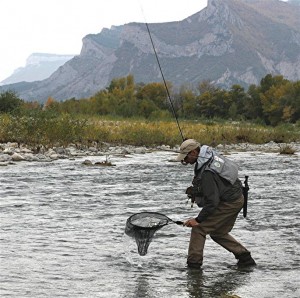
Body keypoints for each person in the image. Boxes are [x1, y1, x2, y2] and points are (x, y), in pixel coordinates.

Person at [176, 139, 256, 269]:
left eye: (186, 157)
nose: (184, 160)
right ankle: (245, 259)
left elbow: (212, 203)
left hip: (230, 203)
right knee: (218, 232)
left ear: (194, 152)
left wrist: (197, 220)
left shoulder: (208, 172)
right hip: (237, 198)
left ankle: (193, 268)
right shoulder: (209, 154)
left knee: (199, 229)